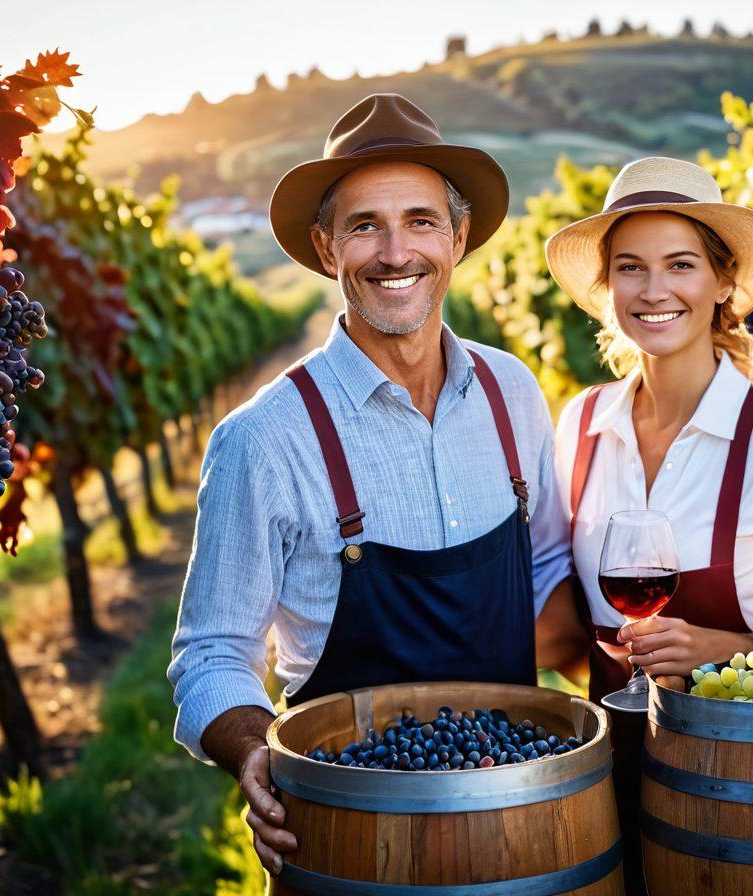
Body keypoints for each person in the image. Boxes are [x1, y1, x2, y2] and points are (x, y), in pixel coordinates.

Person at [167, 93, 572, 879]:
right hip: (348, 841)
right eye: (364, 226)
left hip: (521, 822)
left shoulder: (513, 392)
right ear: (326, 248)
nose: (396, 252)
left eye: (421, 221)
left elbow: (548, 568)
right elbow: (212, 650)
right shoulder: (263, 439)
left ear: (457, 238)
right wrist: (253, 751)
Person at [537, 156, 753, 892]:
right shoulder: (580, 423)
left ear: (722, 284)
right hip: (598, 782)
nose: (653, 291)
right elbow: (555, 605)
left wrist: (733, 649)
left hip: (746, 789)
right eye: (630, 268)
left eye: (680, 265)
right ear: (607, 288)